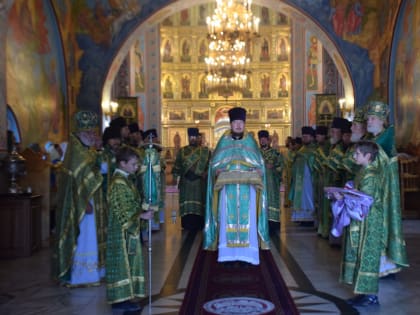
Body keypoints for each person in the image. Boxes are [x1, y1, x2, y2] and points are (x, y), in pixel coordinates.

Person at [204, 107, 269, 265]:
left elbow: (260, 164)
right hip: (228, 190)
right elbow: (214, 164)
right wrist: (217, 170)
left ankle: (248, 256)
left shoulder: (250, 142)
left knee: (249, 222)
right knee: (227, 219)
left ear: (244, 123)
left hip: (249, 190)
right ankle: (228, 255)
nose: (238, 125)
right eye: (235, 122)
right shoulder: (223, 141)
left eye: (241, 122)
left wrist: (258, 171)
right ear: (231, 124)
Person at [52, 110, 107, 286]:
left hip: (91, 199)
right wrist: (85, 202)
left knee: (91, 236)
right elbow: (79, 181)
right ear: (80, 133)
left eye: (94, 132)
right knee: (84, 237)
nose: (92, 136)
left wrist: (99, 152)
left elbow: (97, 169)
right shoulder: (76, 153)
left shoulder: (85, 150)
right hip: (82, 204)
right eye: (89, 133)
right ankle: (81, 276)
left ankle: (93, 273)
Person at [331, 141, 383, 306]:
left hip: (369, 222)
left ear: (368, 156)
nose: (354, 157)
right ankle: (362, 292)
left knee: (367, 256)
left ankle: (370, 295)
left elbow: (364, 200)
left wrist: (344, 197)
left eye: (357, 154)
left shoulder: (372, 175)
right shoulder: (363, 171)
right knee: (359, 255)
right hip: (361, 221)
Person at [106, 146, 154, 312]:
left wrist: (143, 207)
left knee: (129, 263)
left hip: (127, 232)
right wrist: (141, 215)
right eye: (133, 164)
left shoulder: (125, 179)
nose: (136, 167)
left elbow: (131, 202)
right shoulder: (118, 182)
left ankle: (127, 297)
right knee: (122, 264)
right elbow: (122, 209)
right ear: (122, 163)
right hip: (122, 232)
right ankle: (120, 300)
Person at [365, 100, 408, 277]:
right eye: (368, 118)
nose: (368, 121)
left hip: (383, 193)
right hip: (375, 190)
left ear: (382, 120)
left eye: (373, 118)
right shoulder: (374, 139)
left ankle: (386, 265)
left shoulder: (385, 138)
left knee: (383, 226)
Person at [172, 127, 211, 230]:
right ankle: (186, 224)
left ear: (198, 137)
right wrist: (175, 178)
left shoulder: (205, 151)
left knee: (200, 203)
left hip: (200, 183)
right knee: (187, 205)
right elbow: (177, 166)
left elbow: (210, 166)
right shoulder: (182, 151)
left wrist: (205, 173)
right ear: (188, 137)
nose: (192, 139)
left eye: (195, 137)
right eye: (190, 137)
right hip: (186, 183)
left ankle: (199, 224)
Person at [289, 126, 317, 224]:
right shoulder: (301, 149)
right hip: (299, 179)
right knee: (301, 198)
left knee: (308, 197)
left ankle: (309, 218)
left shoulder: (315, 150)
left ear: (312, 137)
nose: (304, 138)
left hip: (309, 179)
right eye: (303, 137)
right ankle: (302, 218)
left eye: (306, 137)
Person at [258, 130, 284, 234]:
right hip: (259, 183)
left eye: (265, 139)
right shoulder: (256, 153)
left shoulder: (275, 153)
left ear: (268, 140)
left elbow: (281, 166)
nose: (263, 141)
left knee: (272, 201)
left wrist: (273, 167)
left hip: (272, 183)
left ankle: (273, 224)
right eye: (261, 139)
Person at [140, 128, 166, 231]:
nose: (154, 141)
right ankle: (148, 226)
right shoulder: (143, 152)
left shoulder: (157, 151)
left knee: (158, 198)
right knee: (149, 197)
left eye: (155, 138)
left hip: (158, 179)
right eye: (152, 138)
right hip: (148, 180)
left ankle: (156, 223)